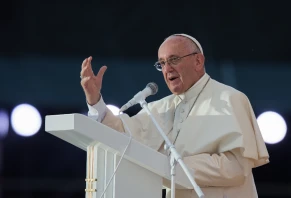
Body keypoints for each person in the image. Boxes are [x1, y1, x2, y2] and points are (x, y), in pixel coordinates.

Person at [80, 33, 270, 198]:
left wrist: (175, 167)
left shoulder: (230, 98)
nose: (167, 69)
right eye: (162, 63)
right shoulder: (159, 108)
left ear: (198, 61)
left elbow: (237, 167)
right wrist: (95, 100)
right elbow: (123, 137)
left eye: (174, 60)